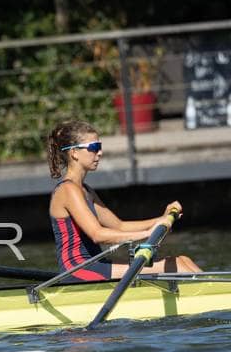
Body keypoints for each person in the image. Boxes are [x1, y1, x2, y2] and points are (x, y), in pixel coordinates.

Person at [47, 119, 202, 280]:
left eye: (100, 146)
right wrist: (147, 233)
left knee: (183, 260)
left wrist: (161, 219)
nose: (99, 153)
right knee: (177, 266)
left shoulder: (86, 190)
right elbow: (98, 234)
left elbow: (119, 225)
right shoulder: (67, 190)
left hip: (95, 264)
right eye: (94, 147)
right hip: (78, 270)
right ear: (74, 153)